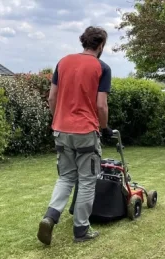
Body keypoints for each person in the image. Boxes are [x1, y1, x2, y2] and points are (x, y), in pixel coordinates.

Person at [37, 26, 113, 245]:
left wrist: (58, 119)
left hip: (61, 129)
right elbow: (101, 105)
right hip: (86, 131)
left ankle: (50, 217)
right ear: (100, 45)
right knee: (88, 180)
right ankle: (81, 229)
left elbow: (52, 98)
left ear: (83, 41)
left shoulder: (63, 62)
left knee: (65, 177)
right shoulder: (102, 67)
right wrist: (104, 127)